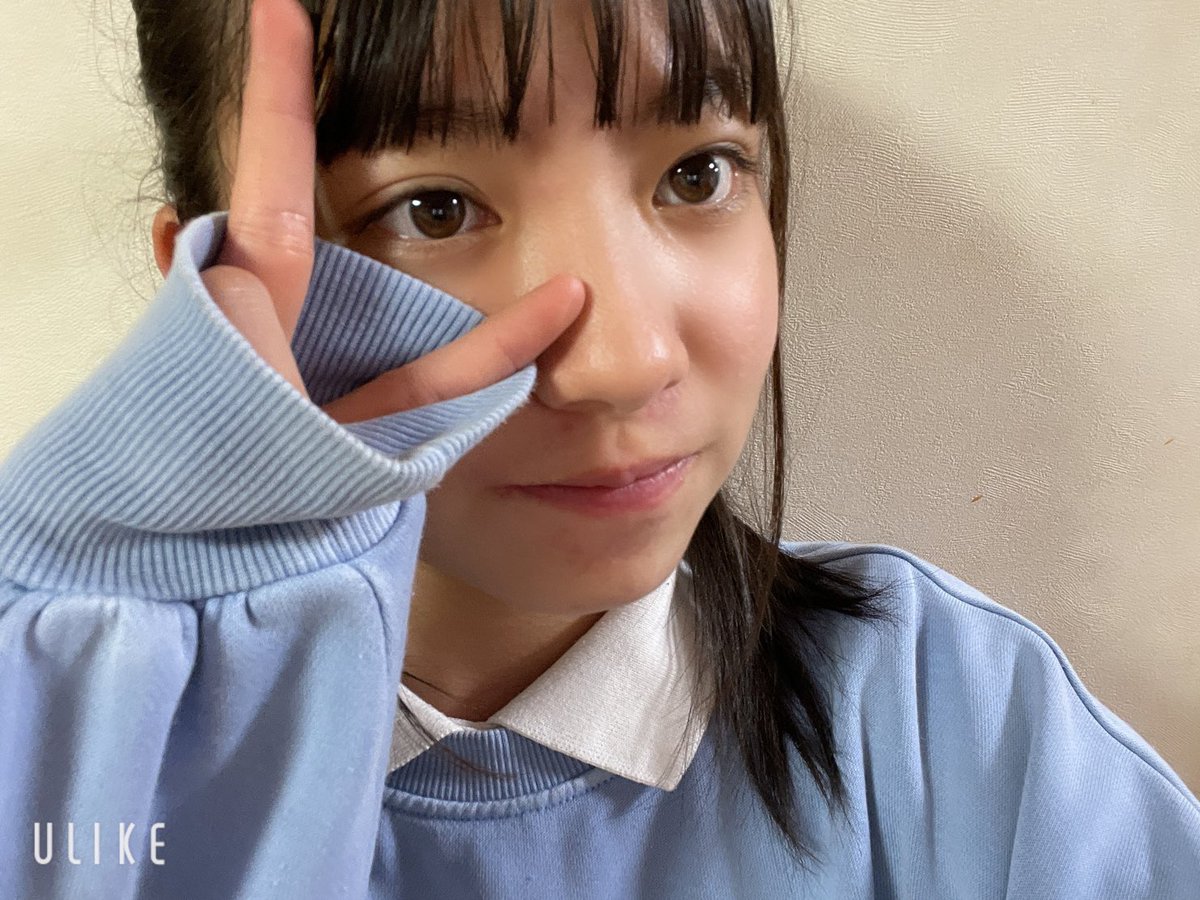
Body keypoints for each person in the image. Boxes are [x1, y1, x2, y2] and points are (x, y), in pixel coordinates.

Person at [0, 0, 1197, 896]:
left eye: (697, 173)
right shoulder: (68, 749)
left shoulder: (955, 727)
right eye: (433, 210)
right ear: (202, 307)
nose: (625, 360)